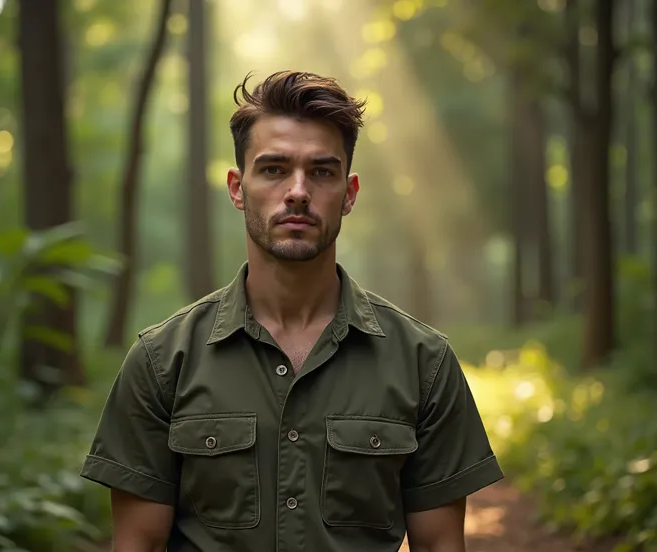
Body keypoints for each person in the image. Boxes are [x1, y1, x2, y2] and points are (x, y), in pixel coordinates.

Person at [80, 70, 504, 552]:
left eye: (322, 171)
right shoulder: (162, 363)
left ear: (349, 193)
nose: (298, 190)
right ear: (238, 188)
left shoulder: (424, 363)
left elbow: (440, 546)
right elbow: (138, 545)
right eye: (274, 169)